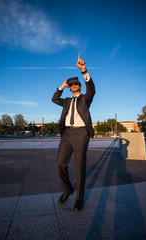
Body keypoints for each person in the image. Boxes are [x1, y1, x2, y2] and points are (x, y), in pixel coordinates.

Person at [52, 53, 95, 211]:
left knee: (79, 166)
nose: (74, 85)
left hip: (81, 134)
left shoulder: (85, 98)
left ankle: (79, 198)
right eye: (71, 85)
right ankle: (67, 190)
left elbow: (91, 88)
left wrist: (84, 71)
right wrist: (62, 86)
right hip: (66, 135)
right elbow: (54, 99)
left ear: (80, 86)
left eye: (76, 84)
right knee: (60, 165)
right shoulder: (66, 101)